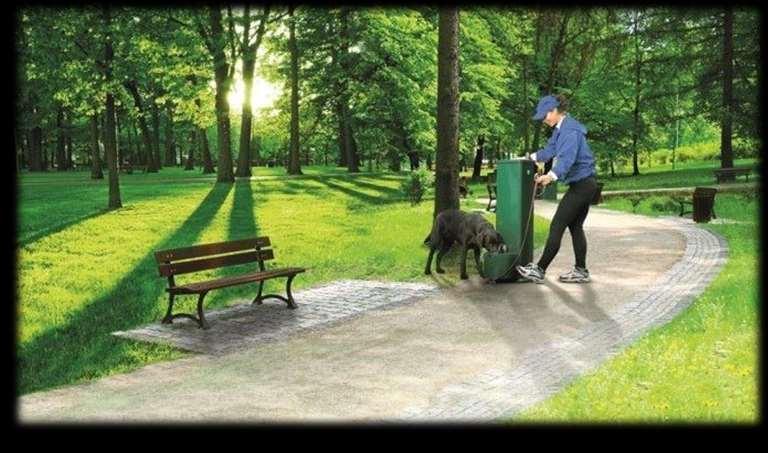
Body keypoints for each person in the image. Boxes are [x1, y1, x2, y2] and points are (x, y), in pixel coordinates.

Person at [516, 94, 598, 284]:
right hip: (585, 184)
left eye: (545, 116)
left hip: (583, 185)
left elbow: (567, 160)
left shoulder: (570, 131)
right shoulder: (560, 130)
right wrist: (529, 157)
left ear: (554, 111)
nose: (544, 120)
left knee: (557, 225)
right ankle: (581, 270)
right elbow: (549, 151)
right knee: (575, 226)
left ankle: (540, 269)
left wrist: (551, 176)